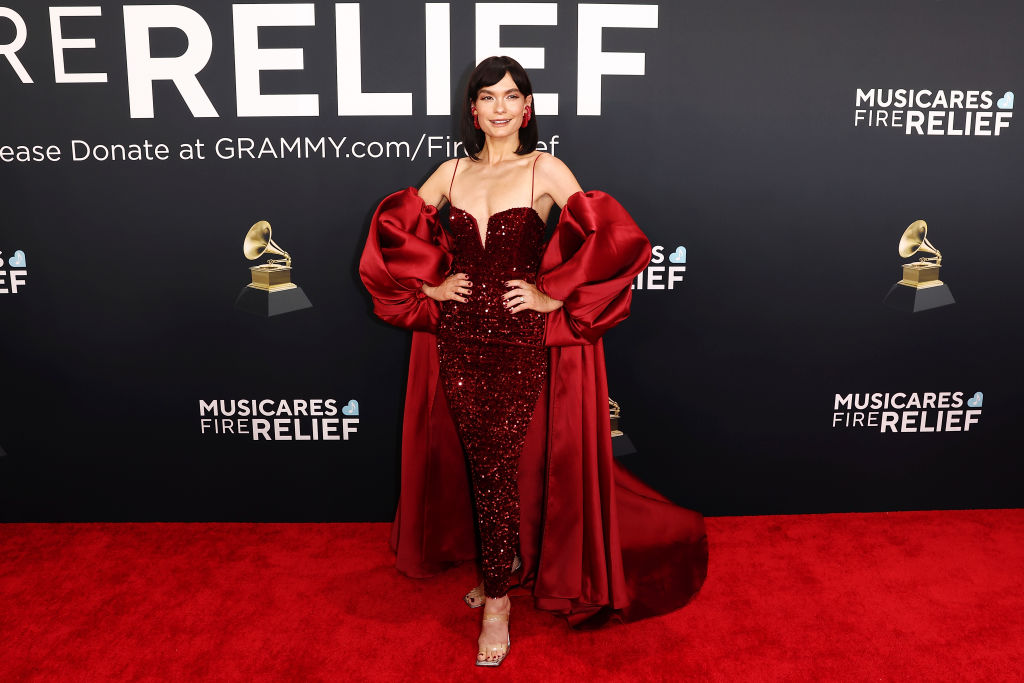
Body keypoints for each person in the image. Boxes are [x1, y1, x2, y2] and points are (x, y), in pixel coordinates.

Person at [360, 56, 707, 667]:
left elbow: (613, 240)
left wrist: (552, 294)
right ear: (473, 109)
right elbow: (391, 229)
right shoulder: (451, 171)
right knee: (486, 467)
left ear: (527, 108)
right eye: (487, 96)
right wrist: (431, 287)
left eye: (511, 95)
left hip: (521, 344)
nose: (499, 107)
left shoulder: (544, 169)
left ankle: (498, 600)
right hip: (461, 341)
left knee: (500, 467)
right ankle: (505, 565)